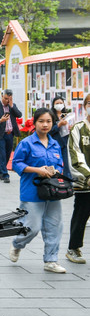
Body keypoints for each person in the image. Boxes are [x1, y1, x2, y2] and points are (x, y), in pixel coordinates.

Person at [8, 108, 67, 273]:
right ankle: (17, 244)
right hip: (32, 192)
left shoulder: (55, 144)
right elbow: (16, 163)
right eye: (41, 121)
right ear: (34, 123)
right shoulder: (26, 144)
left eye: (48, 121)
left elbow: (60, 164)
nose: (45, 124)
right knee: (32, 227)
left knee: (55, 226)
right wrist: (37, 170)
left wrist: (55, 170)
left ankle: (51, 260)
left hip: (52, 192)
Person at [67, 94, 90, 263]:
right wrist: (88, 175)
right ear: (85, 106)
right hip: (85, 183)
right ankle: (73, 248)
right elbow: (75, 154)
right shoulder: (78, 129)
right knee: (81, 215)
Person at [0, 89, 22, 183]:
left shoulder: (12, 106)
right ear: (2, 96)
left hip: (10, 133)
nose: (7, 100)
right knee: (2, 155)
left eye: (9, 99)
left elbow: (19, 115)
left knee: (7, 155)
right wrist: (0, 120)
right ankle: (5, 174)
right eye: (6, 98)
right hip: (0, 134)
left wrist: (12, 106)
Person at [49, 96, 72, 176]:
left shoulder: (66, 115)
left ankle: (67, 181)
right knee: (54, 162)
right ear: (53, 105)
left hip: (65, 142)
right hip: (54, 143)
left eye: (61, 103)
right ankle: (53, 180)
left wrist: (71, 127)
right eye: (57, 103)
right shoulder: (51, 116)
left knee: (67, 163)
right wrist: (59, 124)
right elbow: (50, 130)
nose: (59, 105)